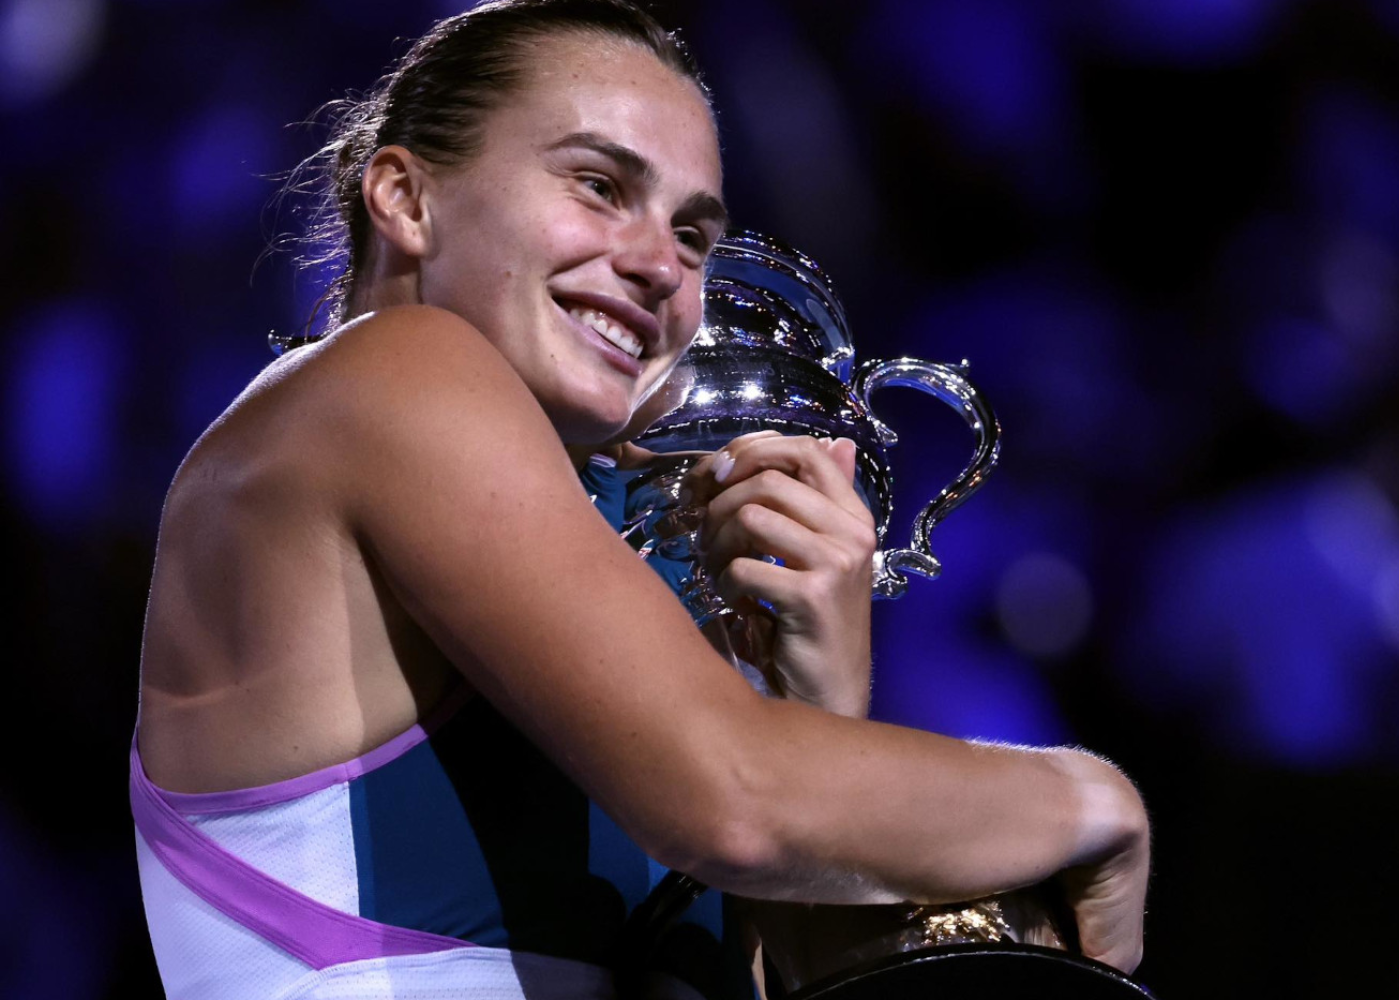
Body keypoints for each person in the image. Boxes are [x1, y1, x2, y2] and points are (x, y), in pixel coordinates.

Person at [130, 2, 1150, 998]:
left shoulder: (627, 545)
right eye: (599, 185)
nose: (662, 265)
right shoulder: (395, 374)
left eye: (694, 235)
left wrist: (815, 700)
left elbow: (796, 941)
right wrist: (1092, 799)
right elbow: (733, 801)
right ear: (405, 199)